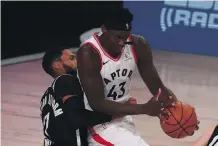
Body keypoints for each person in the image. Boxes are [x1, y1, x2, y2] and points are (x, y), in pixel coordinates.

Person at [77, 8, 199, 145]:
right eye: (118, 37)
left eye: (125, 37)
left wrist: (180, 112)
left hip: (124, 119)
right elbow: (97, 103)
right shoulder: (89, 52)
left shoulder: (138, 45)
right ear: (104, 29)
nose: (122, 43)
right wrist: (144, 109)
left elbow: (158, 88)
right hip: (99, 124)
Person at [40, 48, 114, 146]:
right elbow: (78, 117)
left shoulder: (45, 97)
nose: (77, 61)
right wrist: (114, 114)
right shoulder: (66, 80)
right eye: (72, 58)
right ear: (56, 65)